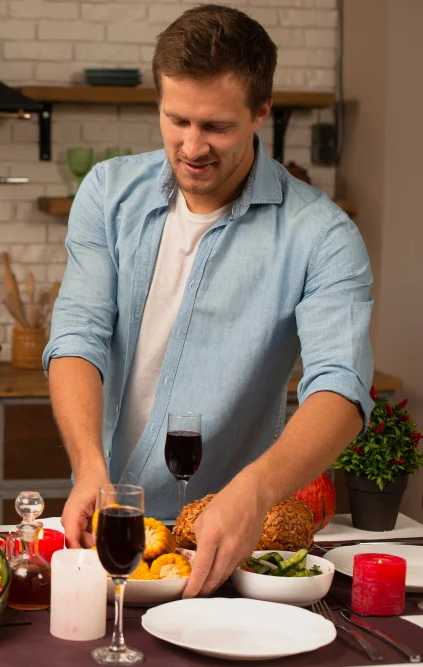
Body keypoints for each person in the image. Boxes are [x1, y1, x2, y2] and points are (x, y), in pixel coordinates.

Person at [44, 4, 373, 597]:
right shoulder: (108, 193)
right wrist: (89, 463)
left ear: (261, 111)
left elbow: (342, 387)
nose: (192, 146)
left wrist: (257, 489)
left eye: (216, 126)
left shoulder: (321, 234)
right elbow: (77, 337)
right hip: (105, 528)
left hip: (225, 543)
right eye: (177, 120)